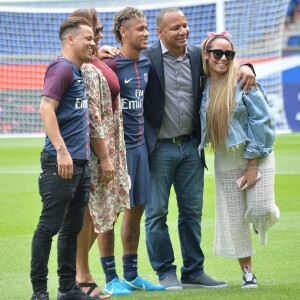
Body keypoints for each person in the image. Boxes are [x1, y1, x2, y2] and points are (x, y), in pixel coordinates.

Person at [142, 7, 257, 290]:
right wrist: (106, 51)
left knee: (191, 213)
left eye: (185, 25)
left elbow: (226, 60)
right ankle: (165, 272)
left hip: (192, 148)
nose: (183, 31)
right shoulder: (145, 58)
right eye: (175, 28)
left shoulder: (198, 55)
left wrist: (246, 67)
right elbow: (117, 66)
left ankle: (193, 271)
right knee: (156, 214)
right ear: (159, 33)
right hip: (158, 150)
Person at [78, 7, 164, 296]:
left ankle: (132, 274)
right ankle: (110, 276)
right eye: (140, 29)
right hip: (117, 151)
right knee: (109, 214)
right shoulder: (109, 65)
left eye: (147, 28)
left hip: (140, 148)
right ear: (123, 33)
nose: (146, 33)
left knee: (136, 212)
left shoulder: (148, 64)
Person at [198, 31, 280, 288]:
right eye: (217, 53)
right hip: (225, 158)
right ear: (206, 54)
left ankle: (261, 222)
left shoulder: (243, 80)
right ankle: (247, 273)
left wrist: (252, 163)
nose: (223, 58)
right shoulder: (199, 84)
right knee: (234, 219)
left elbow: (263, 121)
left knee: (261, 209)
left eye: (229, 54)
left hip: (257, 154)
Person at [30, 17, 96, 300]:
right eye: (88, 39)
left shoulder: (78, 71)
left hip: (80, 164)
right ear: (71, 40)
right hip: (61, 163)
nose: (93, 43)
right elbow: (46, 108)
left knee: (72, 228)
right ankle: (39, 292)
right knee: (49, 227)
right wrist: (62, 150)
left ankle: (67, 289)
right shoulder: (62, 68)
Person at [69, 8, 127, 299]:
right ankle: (81, 275)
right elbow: (92, 114)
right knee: (89, 213)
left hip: (110, 143)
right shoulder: (82, 66)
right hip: (96, 148)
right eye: (95, 30)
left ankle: (77, 272)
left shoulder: (94, 60)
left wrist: (98, 54)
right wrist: (104, 157)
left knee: (102, 212)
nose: (100, 35)